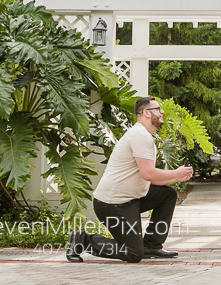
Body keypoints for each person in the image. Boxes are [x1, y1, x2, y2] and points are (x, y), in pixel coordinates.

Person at [66, 96, 193, 263]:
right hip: (112, 203)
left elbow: (148, 178)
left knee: (167, 194)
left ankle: (152, 245)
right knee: (133, 253)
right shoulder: (140, 135)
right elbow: (149, 174)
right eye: (158, 109)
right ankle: (81, 240)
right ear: (147, 113)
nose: (162, 112)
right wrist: (176, 174)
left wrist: (177, 176)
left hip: (130, 199)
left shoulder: (143, 135)